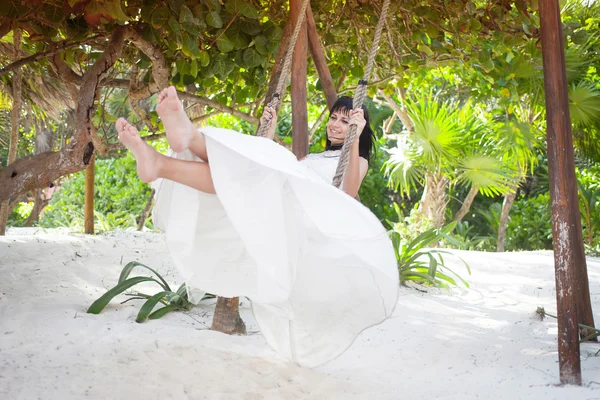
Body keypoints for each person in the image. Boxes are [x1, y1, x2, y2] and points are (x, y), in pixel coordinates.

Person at [116, 86, 399, 368]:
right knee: (232, 176)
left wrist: (354, 139)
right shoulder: (315, 158)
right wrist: (270, 130)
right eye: (334, 118)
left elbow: (347, 194)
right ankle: (161, 162)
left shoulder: (356, 160)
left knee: (242, 174)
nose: (336, 126)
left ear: (357, 127)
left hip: (294, 220)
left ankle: (187, 139)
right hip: (279, 203)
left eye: (345, 121)